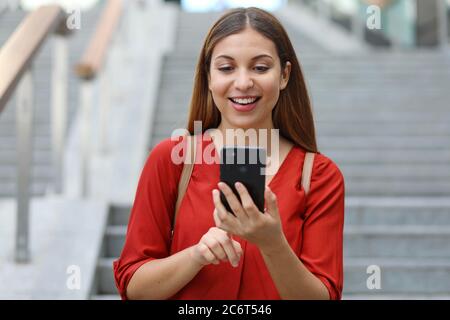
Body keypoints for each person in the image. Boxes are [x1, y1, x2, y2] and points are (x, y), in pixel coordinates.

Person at [113, 6, 345, 300]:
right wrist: (197, 255)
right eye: (226, 68)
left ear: (284, 75)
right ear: (209, 77)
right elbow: (134, 287)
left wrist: (273, 244)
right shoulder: (173, 159)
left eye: (260, 68)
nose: (243, 82)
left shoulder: (319, 176)